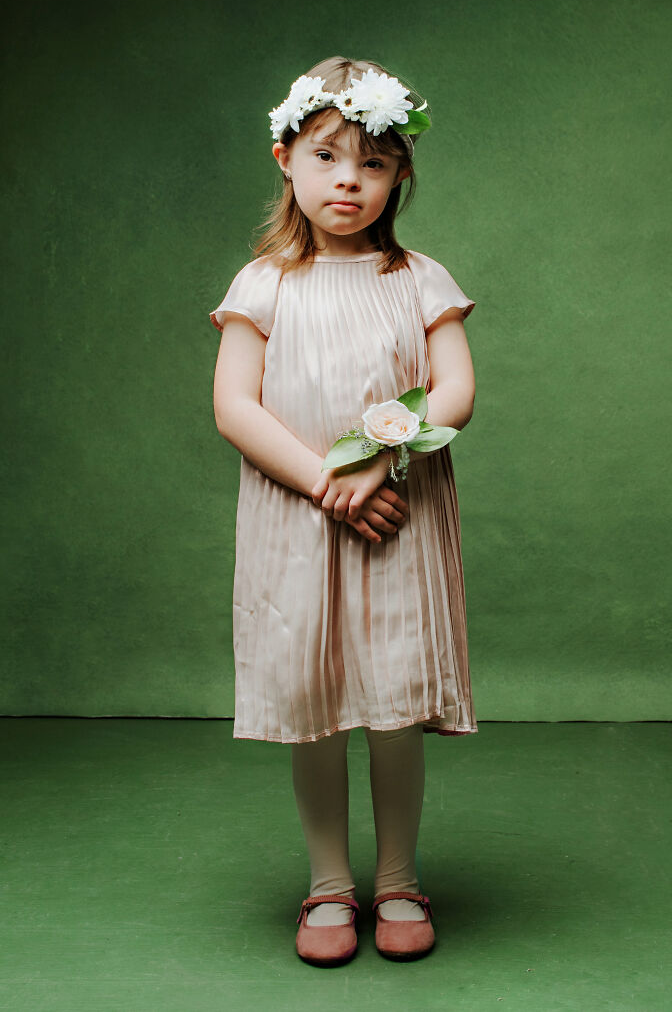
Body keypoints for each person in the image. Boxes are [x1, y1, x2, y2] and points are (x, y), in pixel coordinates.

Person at [209, 56, 478, 967]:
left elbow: (455, 388)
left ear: (400, 173)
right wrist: (331, 479)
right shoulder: (264, 283)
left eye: (372, 162)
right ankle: (329, 883)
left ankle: (398, 878)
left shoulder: (420, 278)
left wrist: (382, 458)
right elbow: (235, 405)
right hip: (300, 520)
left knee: (393, 701)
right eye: (326, 157)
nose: (348, 180)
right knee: (314, 702)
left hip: (396, 512)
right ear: (285, 159)